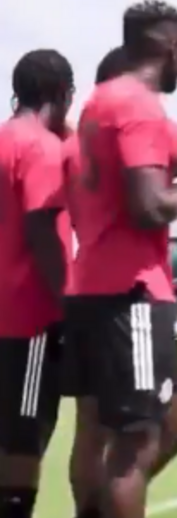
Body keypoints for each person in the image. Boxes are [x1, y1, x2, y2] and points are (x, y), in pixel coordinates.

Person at [64, 2, 177, 518]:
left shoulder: (104, 102)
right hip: (131, 292)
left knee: (130, 431)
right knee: (138, 446)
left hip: (95, 289)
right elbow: (148, 207)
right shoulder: (137, 105)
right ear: (170, 48)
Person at [0, 49, 74, 518]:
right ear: (60, 94)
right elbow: (41, 229)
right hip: (29, 318)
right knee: (24, 439)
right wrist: (69, 305)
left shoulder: (6, 138)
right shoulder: (41, 149)